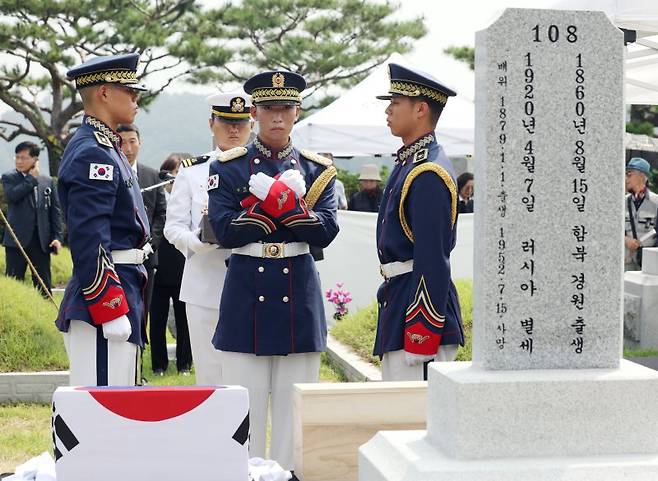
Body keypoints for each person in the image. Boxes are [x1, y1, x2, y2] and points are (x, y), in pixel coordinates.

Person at [207, 70, 339, 469]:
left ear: (297, 112)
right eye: (268, 109)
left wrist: (279, 204)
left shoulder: (318, 169)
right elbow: (224, 229)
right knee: (242, 410)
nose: (276, 118)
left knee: (293, 411)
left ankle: (288, 475)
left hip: (298, 289)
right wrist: (284, 207)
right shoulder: (229, 166)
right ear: (254, 113)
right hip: (247, 287)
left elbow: (327, 229)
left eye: (284, 109)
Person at [56, 53, 150, 386]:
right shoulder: (94, 151)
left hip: (125, 288)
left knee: (120, 408)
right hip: (104, 302)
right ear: (105, 93)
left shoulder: (107, 146)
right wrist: (109, 306)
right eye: (129, 90)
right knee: (102, 412)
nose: (136, 97)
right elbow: (89, 236)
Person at [373, 63, 464, 381]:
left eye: (396, 102)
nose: (388, 110)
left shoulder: (427, 172)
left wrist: (422, 331)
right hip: (401, 303)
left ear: (421, 109)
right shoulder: (410, 162)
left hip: (417, 313)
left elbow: (432, 258)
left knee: (415, 422)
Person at [164, 90, 253, 385]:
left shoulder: (263, 170)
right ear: (211, 123)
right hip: (204, 283)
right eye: (226, 121)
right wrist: (196, 242)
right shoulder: (192, 172)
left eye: (240, 123)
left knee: (248, 374)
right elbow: (173, 226)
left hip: (255, 284)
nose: (233, 130)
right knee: (210, 373)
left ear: (251, 124)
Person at [149, 154, 193, 376]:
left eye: (179, 174)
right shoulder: (157, 198)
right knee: (156, 318)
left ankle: (185, 363)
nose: (175, 179)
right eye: (172, 174)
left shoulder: (190, 200)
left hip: (183, 265)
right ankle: (159, 364)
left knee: (184, 317)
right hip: (158, 264)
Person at [116, 123, 166, 314]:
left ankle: (141, 344)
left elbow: (161, 214)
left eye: (132, 142)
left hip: (146, 256)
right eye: (122, 143)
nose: (128, 149)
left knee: (143, 308)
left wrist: (150, 244)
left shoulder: (152, 175)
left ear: (140, 143)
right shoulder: (110, 172)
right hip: (118, 255)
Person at [2, 141, 63, 295]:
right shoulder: (9, 177)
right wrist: (31, 179)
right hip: (16, 241)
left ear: (35, 160)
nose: (19, 161)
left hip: (41, 241)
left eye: (23, 158)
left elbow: (54, 211)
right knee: (14, 284)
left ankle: (48, 315)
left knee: (43, 286)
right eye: (17, 157)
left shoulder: (47, 181)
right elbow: (12, 196)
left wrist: (57, 237)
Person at [624, 157, 658, 271]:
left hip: (648, 264)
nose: (625, 179)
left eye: (629, 174)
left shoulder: (656, 202)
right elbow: (612, 230)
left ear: (642, 177)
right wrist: (625, 240)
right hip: (625, 263)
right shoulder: (621, 202)